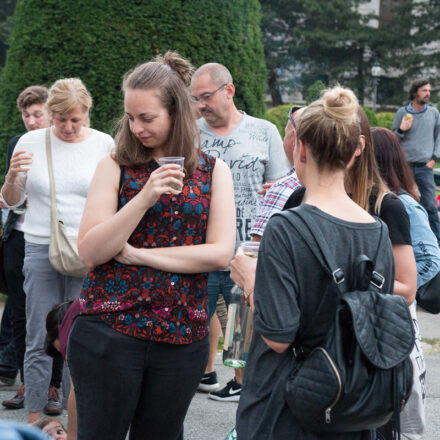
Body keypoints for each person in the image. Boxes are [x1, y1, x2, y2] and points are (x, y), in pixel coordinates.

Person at [67, 52, 235, 440]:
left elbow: (218, 254)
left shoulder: (213, 171)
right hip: (110, 331)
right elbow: (91, 251)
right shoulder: (116, 165)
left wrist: (139, 256)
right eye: (130, 117)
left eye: (147, 117)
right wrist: (144, 197)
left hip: (181, 337)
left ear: (176, 113)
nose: (136, 127)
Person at [235, 86, 395, 439]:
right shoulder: (378, 231)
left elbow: (278, 336)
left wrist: (250, 279)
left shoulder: (285, 227)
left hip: (287, 404)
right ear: (357, 150)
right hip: (352, 402)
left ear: (299, 148)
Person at [0, 78, 114, 423]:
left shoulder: (104, 144)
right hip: (39, 246)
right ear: (50, 114)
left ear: (87, 114)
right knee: (38, 334)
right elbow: (12, 202)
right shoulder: (30, 142)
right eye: (60, 119)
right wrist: (12, 177)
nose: (67, 126)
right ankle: (36, 420)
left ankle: (73, 419)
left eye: (75, 120)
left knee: (80, 336)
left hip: (88, 248)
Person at [190, 62, 288, 400]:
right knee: (191, 324)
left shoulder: (264, 131)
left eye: (205, 97)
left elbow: (283, 188)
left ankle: (245, 392)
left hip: (247, 250)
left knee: (241, 331)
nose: (200, 105)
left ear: (228, 91)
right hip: (200, 249)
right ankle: (187, 382)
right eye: (195, 98)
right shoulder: (190, 132)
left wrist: (272, 188)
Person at [1, 85, 65, 415]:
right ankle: (30, 382)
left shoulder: (64, 145)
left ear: (51, 114)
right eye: (26, 115)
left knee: (54, 316)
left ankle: (53, 386)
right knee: (20, 315)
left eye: (37, 114)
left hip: (53, 240)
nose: (31, 120)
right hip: (19, 237)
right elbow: (10, 194)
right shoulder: (18, 144)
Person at [372, 127, 431, 438]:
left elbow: (431, 260)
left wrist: (398, 284)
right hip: (385, 315)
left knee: (404, 411)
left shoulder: (401, 204)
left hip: (396, 316)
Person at [392, 79, 440, 242]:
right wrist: (401, 129)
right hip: (403, 167)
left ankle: (436, 240)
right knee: (401, 204)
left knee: (431, 206)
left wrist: (434, 158)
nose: (428, 94)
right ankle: (404, 239)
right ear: (414, 93)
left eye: (429, 90)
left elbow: (439, 137)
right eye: (424, 90)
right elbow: (393, 140)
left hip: (425, 167)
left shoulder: (434, 113)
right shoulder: (402, 113)